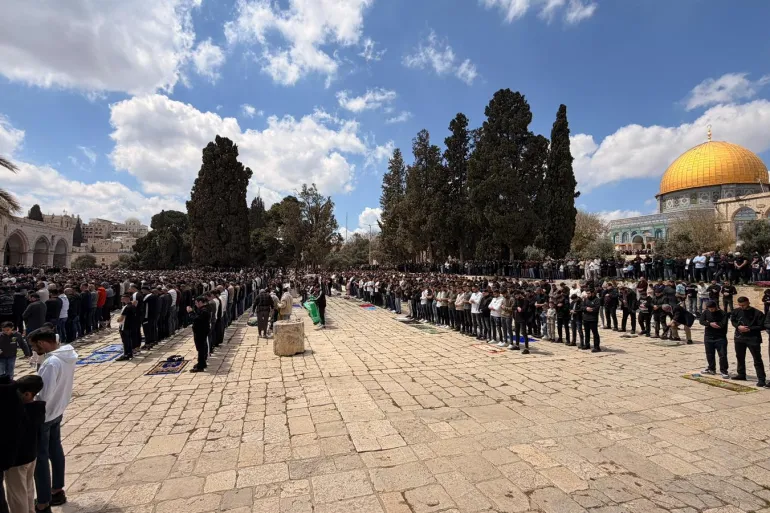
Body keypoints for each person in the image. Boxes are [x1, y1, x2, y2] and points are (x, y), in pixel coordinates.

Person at [30, 327, 78, 512]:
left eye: (35, 346)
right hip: (58, 409)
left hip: (45, 413)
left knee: (41, 458)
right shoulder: (67, 354)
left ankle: (43, 500)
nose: (34, 350)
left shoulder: (52, 363)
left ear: (42, 343)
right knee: (55, 449)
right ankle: (57, 489)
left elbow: (44, 394)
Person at [5, 375, 46, 513]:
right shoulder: (38, 408)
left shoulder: (21, 412)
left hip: (18, 460)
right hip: (31, 456)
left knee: (17, 495)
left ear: (27, 394)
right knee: (28, 489)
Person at [732, 297, 766, 387]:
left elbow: (762, 326)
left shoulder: (757, 313)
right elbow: (733, 321)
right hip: (739, 338)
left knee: (757, 359)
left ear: (748, 302)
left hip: (753, 339)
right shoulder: (736, 311)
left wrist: (749, 329)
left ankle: (761, 379)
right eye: (740, 305)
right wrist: (738, 326)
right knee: (740, 356)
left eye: (743, 305)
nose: (742, 307)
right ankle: (741, 374)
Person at [699, 301, 729, 378]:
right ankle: (711, 368)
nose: (711, 310)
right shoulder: (706, 312)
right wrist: (709, 324)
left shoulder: (723, 313)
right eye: (709, 309)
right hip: (708, 336)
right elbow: (701, 321)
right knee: (709, 353)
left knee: (722, 355)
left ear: (716, 307)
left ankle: (724, 371)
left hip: (720, 337)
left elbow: (722, 324)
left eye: (712, 309)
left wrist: (712, 323)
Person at [188, 296, 211, 373]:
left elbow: (196, 319)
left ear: (200, 302)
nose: (195, 304)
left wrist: (190, 312)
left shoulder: (204, 311)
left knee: (201, 348)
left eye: (196, 303)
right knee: (201, 348)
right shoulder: (203, 309)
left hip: (201, 331)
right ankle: (202, 363)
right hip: (201, 331)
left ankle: (200, 366)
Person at [116, 294, 138, 361]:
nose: (121, 299)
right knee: (129, 340)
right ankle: (129, 353)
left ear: (126, 299)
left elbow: (122, 318)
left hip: (124, 326)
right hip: (131, 325)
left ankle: (126, 354)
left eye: (122, 298)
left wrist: (118, 320)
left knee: (125, 341)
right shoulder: (132, 306)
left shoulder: (126, 307)